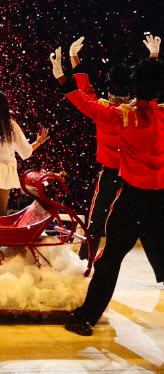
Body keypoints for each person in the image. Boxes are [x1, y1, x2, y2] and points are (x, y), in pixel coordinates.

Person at [50, 47, 164, 336]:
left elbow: (88, 105)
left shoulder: (124, 116)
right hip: (159, 201)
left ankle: (86, 318)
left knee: (110, 259)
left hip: (132, 200)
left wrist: (62, 79)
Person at [70, 35, 160, 261]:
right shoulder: (134, 112)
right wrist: (154, 56)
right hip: (134, 175)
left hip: (114, 172)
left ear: (110, 93)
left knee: (97, 219)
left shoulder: (106, 112)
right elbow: (148, 83)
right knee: (146, 223)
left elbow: (84, 92)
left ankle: (84, 258)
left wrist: (73, 58)